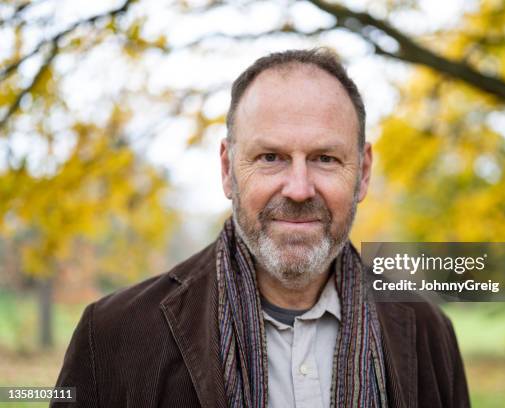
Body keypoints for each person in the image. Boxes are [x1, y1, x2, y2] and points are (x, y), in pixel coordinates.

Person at [53, 48, 470, 408]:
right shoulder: (113, 335)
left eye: (325, 158)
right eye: (271, 157)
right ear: (227, 170)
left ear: (362, 173)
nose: (300, 188)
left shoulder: (427, 331)